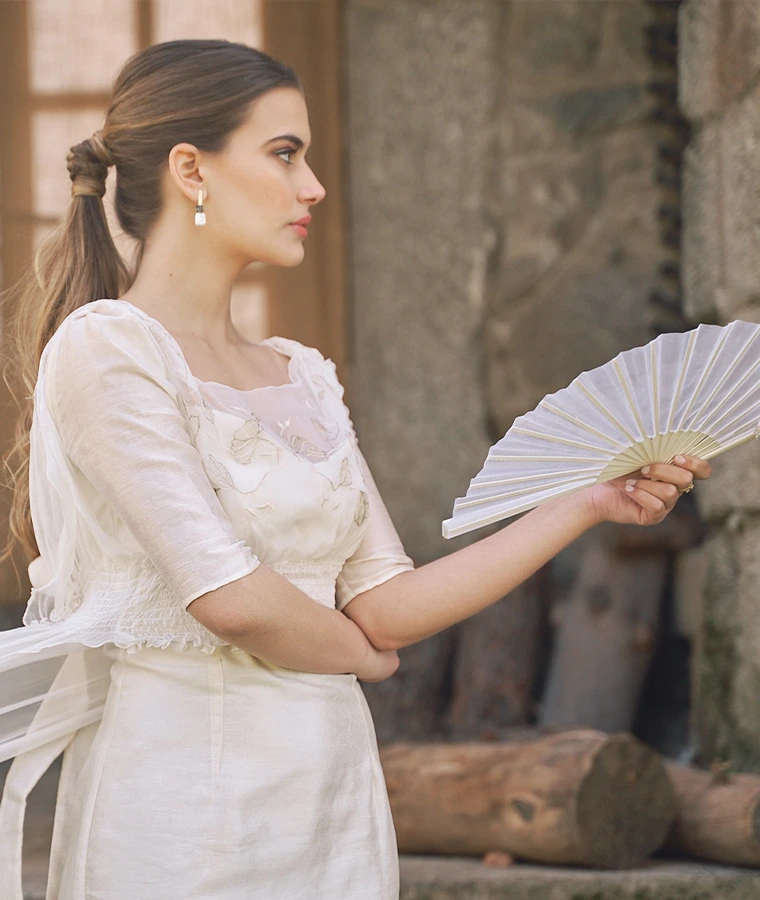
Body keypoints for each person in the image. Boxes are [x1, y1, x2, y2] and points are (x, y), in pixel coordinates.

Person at [0, 40, 710, 900]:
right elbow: (225, 594)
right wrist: (363, 660)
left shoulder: (301, 373)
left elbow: (386, 599)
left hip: (330, 797)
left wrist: (586, 503)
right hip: (185, 805)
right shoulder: (109, 349)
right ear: (192, 169)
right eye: (284, 154)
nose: (313, 188)